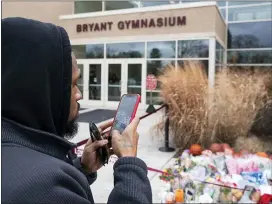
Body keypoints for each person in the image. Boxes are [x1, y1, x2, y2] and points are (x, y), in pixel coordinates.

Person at [1, 17, 152, 204]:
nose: (79, 94)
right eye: (72, 84)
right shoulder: (42, 186)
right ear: (39, 90)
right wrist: (129, 164)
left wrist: (81, 168)